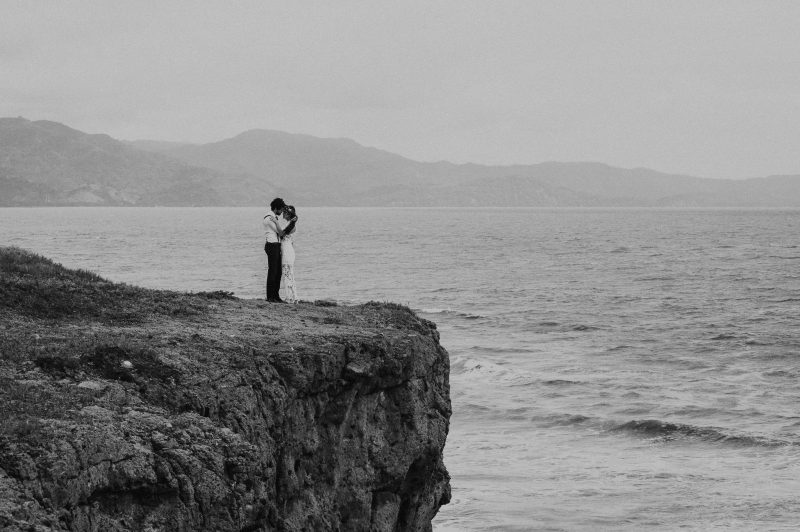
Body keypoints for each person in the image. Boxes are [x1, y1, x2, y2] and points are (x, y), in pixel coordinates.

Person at [262, 198, 296, 302]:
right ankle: (270, 296)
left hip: (276, 245)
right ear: (276, 208)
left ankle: (276, 296)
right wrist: (277, 223)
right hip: (272, 245)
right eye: (281, 209)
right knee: (273, 271)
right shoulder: (269, 218)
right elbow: (280, 233)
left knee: (278, 272)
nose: (281, 212)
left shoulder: (273, 218)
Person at [280, 205, 298, 303]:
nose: (283, 214)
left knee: (287, 273)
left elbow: (282, 234)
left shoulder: (291, 225)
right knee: (289, 274)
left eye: (285, 213)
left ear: (288, 214)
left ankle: (290, 298)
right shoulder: (290, 224)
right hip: (288, 248)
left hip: (287, 250)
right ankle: (293, 297)